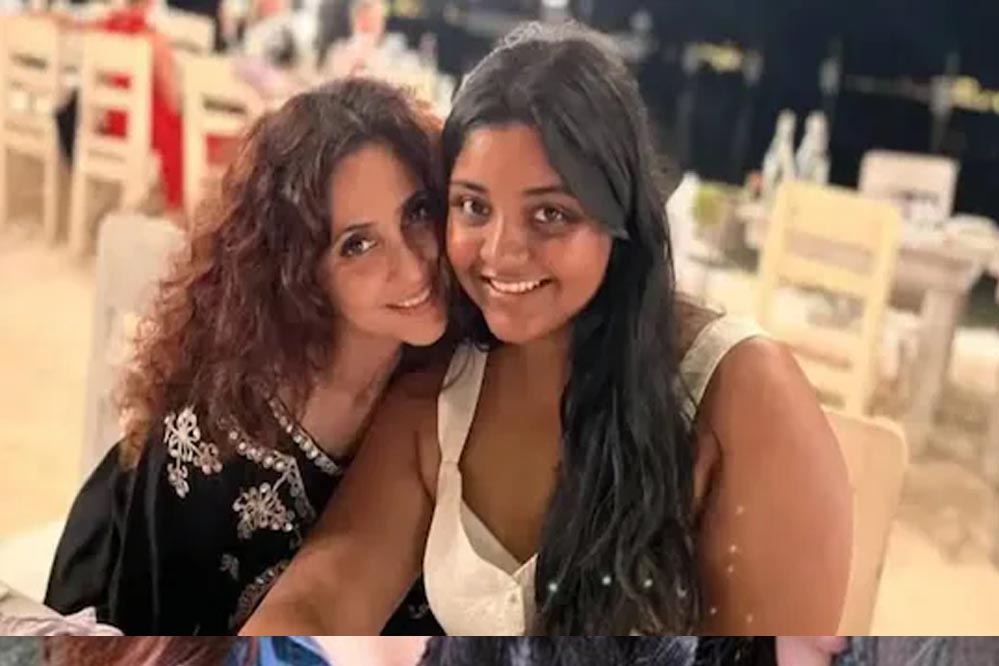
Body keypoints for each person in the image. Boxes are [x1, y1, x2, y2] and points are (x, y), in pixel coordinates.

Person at [242, 22, 851, 636]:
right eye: (474, 206)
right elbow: (325, 590)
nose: (501, 252)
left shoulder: (742, 393)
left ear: (619, 216)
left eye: (551, 213)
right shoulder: (441, 391)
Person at [44, 78, 449, 635]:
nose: (413, 265)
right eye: (357, 244)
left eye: (418, 212)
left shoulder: (457, 368)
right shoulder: (208, 444)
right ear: (300, 271)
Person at [52, 0, 185, 213]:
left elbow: (70, 24)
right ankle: (179, 210)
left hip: (114, 124)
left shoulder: (103, 28)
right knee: (191, 134)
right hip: (148, 130)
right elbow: (173, 101)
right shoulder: (155, 40)